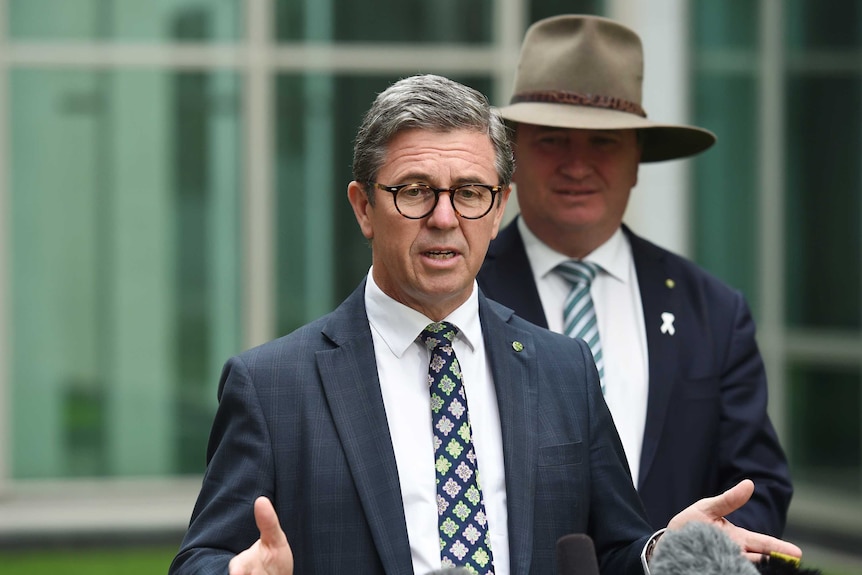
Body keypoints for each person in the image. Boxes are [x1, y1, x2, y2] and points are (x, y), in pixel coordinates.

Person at [169, 74, 800, 575]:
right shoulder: (272, 385)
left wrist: (657, 553)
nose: (445, 218)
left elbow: (609, 551)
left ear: (497, 209)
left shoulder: (563, 368)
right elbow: (200, 558)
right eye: (414, 191)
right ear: (364, 208)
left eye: (470, 192)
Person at [477, 14, 793, 536]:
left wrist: (696, 553)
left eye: (603, 143)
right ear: (512, 155)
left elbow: (758, 485)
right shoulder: (458, 295)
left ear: (637, 158)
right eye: (554, 139)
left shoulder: (712, 310)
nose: (577, 166)